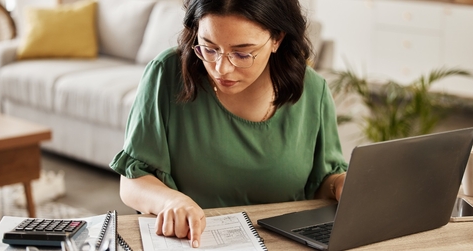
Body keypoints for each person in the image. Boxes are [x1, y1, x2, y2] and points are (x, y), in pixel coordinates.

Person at [110, 0, 348, 248]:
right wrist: (170, 202)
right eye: (209, 48)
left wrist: (340, 185)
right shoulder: (167, 74)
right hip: (194, 243)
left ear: (277, 39)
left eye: (242, 53)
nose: (221, 68)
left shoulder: (313, 91)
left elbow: (322, 184)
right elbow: (132, 181)